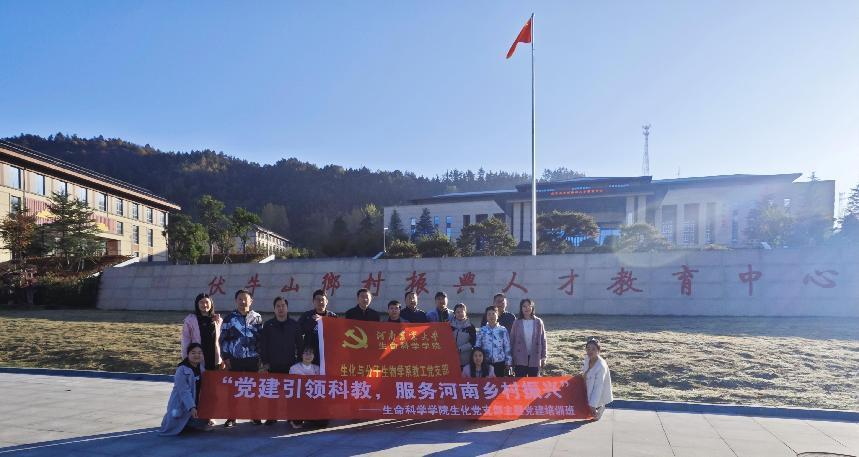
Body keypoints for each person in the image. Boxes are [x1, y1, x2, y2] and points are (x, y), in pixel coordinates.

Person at [219, 289, 263, 427]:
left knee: (253, 389)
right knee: (233, 390)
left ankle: (254, 415)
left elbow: (261, 339)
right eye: (240, 299)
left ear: (251, 301)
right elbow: (223, 339)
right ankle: (232, 417)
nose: (243, 301)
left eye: (245, 299)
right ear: (235, 300)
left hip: (252, 359)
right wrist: (226, 357)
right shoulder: (229, 318)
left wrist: (260, 356)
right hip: (235, 359)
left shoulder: (257, 317)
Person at [259, 296, 303, 425]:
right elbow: (263, 345)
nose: (281, 308)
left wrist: (299, 362)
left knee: (290, 394)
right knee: (273, 393)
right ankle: (272, 416)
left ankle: (291, 416)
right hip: (273, 365)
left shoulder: (294, 325)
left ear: (287, 308)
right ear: (274, 309)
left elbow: (300, 345)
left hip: (291, 365)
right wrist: (265, 362)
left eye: (283, 305)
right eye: (278, 306)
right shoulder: (268, 325)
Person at [159, 343, 209, 435]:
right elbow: (184, 391)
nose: (197, 355)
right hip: (181, 404)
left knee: (203, 422)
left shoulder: (201, 368)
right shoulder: (181, 370)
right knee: (177, 424)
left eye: (199, 353)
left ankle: (190, 424)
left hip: (195, 404)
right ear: (188, 354)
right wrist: (191, 407)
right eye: (193, 353)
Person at [182, 293, 223, 371]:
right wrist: (186, 358)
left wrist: (222, 358)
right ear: (197, 304)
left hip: (214, 357)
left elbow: (221, 340)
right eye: (201, 302)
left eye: (207, 302)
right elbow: (186, 340)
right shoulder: (190, 320)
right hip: (197, 357)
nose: (204, 305)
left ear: (211, 303)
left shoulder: (218, 320)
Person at [298, 289, 337, 365]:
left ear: (327, 301)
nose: (320, 302)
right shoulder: (306, 316)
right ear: (313, 301)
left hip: (327, 355)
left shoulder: (332, 316)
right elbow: (298, 332)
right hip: (310, 355)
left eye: (323, 300)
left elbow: (337, 335)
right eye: (318, 300)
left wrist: (324, 320)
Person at [510, 298, 547, 377]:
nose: (527, 308)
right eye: (524, 306)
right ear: (521, 308)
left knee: (533, 382)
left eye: (529, 306)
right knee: (519, 381)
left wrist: (544, 357)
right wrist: (511, 357)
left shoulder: (538, 322)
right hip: (519, 358)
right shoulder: (517, 322)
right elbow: (512, 340)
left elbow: (543, 340)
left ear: (532, 307)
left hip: (535, 357)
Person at [288, 346, 322, 429]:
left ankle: (310, 418)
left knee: (322, 424)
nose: (308, 356)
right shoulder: (294, 368)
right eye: (306, 353)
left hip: (313, 398)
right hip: (299, 398)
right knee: (297, 423)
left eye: (310, 354)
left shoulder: (318, 368)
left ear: (314, 356)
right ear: (301, 355)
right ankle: (294, 419)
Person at [581, 337, 613, 421]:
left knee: (594, 417)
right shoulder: (587, 359)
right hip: (588, 390)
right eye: (588, 349)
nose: (590, 351)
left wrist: (593, 405)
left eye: (593, 349)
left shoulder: (601, 366)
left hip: (598, 395)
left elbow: (598, 387)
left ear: (598, 351)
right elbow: (584, 373)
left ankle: (600, 407)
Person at [475, 306, 511, 377]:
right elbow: (477, 346)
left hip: (500, 362)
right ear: (486, 317)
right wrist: (477, 360)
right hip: (485, 362)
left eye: (493, 314)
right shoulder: (482, 330)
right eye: (489, 314)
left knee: (499, 382)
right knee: (486, 382)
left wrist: (508, 362)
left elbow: (507, 346)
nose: (491, 316)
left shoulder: (502, 330)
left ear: (497, 315)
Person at [450, 303, 476, 368]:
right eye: (458, 312)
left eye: (462, 311)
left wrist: (460, 349)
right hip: (451, 358)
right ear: (454, 313)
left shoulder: (470, 326)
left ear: (465, 312)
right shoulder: (449, 325)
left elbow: (473, 342)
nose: (460, 314)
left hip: (465, 359)